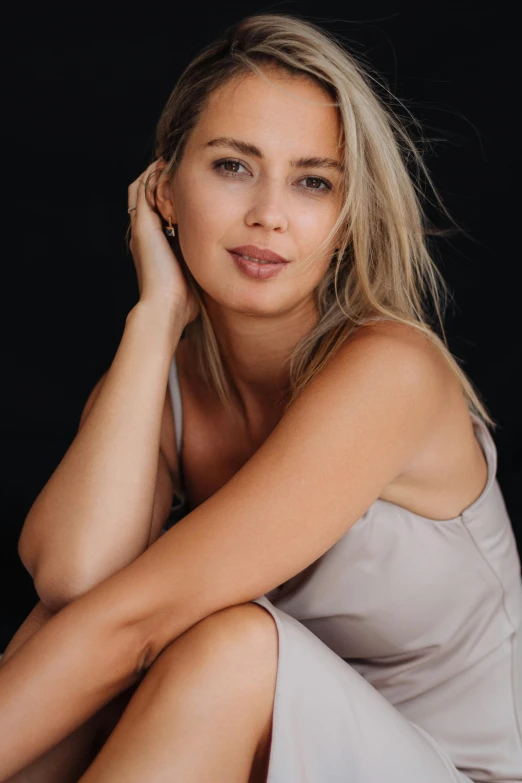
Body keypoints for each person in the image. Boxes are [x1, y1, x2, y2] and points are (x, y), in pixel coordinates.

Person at [1, 12, 520, 783]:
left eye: (313, 181)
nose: (268, 214)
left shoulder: (390, 370)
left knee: (231, 647)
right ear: (165, 190)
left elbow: (135, 622)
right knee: (81, 627)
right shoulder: (169, 378)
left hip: (454, 770)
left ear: (345, 226)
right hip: (270, 754)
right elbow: (73, 579)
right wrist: (153, 321)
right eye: (233, 166)